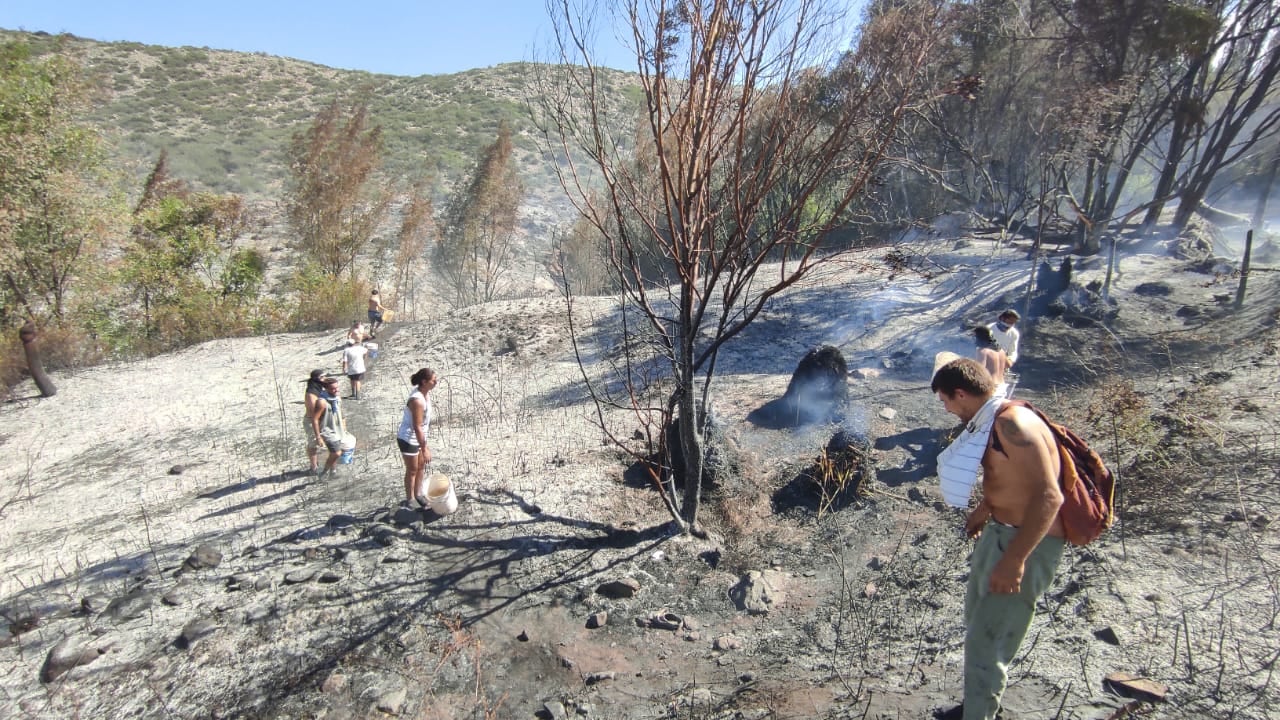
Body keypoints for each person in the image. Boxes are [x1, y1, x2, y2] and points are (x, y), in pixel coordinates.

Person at [931, 358, 1065, 720]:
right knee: (977, 621)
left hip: (1025, 544)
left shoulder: (1012, 423)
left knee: (987, 640)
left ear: (961, 393)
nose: (946, 409)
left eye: (946, 401)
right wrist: (987, 508)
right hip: (1001, 530)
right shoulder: (993, 420)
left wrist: (1015, 561)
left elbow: (1050, 497)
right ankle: (977, 705)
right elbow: (1013, 478)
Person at [396, 368, 438, 508]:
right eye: (433, 380)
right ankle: (410, 499)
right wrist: (425, 448)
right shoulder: (417, 400)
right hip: (408, 438)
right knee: (412, 470)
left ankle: (418, 494)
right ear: (424, 382)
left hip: (419, 437)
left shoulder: (425, 393)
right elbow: (417, 426)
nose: (436, 382)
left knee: (421, 466)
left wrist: (424, 444)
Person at [310, 376, 348, 478]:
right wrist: (318, 437)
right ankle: (324, 472)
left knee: (334, 452)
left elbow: (340, 413)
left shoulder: (337, 398)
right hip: (327, 431)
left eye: (337, 387)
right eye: (333, 388)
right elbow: (314, 419)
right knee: (336, 453)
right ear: (326, 389)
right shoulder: (322, 402)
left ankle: (333, 472)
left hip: (338, 429)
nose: (336, 390)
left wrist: (344, 427)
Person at [302, 369, 328, 475]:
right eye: (322, 377)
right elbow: (314, 416)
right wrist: (318, 435)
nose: (324, 379)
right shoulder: (311, 394)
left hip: (322, 419)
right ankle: (314, 467)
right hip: (312, 421)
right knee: (313, 444)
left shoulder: (318, 389)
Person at [973, 326, 1012, 395]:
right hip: (1002, 386)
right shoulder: (1001, 351)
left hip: (991, 389)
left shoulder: (983, 351)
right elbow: (1008, 365)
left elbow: (979, 372)